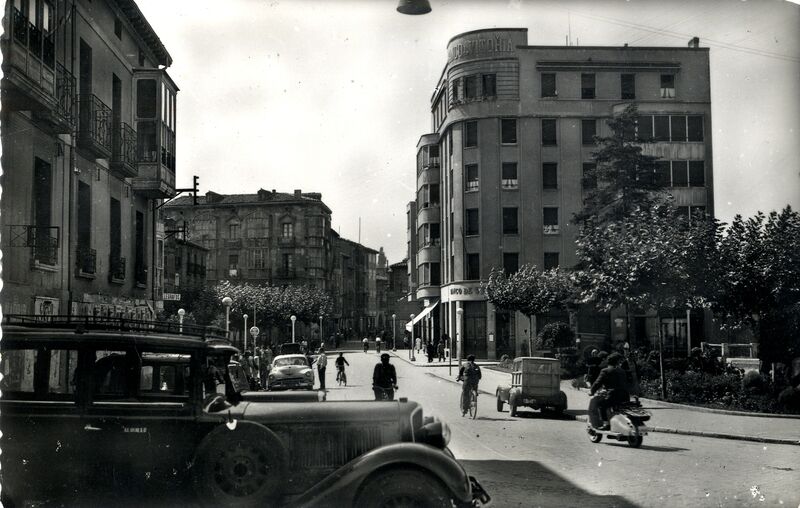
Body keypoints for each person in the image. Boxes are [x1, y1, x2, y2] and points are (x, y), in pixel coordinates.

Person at [589, 353, 631, 430]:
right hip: (625, 396)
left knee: (601, 405)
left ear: (608, 362)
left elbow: (597, 383)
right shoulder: (622, 371)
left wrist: (592, 391)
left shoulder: (605, 371)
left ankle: (606, 424)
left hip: (613, 395)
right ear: (617, 362)